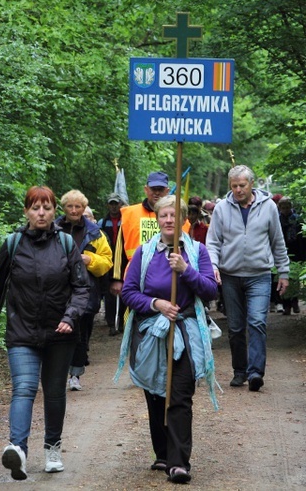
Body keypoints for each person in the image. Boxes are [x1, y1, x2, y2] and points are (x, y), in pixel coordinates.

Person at [0, 186, 90, 480]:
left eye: (47, 208)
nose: (41, 213)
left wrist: (70, 317)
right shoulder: (12, 244)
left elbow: (82, 288)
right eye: (36, 208)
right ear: (26, 211)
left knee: (53, 393)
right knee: (23, 389)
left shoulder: (66, 244)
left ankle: (52, 448)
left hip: (60, 334)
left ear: (55, 212)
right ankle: (18, 450)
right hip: (22, 332)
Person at [114, 195, 218, 484]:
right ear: (157, 220)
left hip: (185, 330)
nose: (169, 220)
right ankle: (162, 452)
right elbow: (129, 292)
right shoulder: (145, 253)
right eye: (164, 216)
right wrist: (156, 304)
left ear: (183, 218)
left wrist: (186, 271)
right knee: (156, 393)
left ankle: (178, 462)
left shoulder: (196, 251)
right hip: (151, 332)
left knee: (181, 395)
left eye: (174, 215)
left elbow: (210, 290)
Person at [206, 165, 290, 392]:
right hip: (230, 275)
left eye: (242, 185)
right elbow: (212, 242)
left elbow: (277, 242)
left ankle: (255, 373)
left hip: (260, 275)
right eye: (234, 186)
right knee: (234, 327)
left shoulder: (269, 207)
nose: (238, 190)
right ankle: (239, 371)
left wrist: (283, 272)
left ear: (251, 184)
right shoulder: (222, 208)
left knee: (257, 322)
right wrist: (212, 265)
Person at [56, 190, 113, 391]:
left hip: (86, 289)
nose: (73, 210)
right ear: (64, 208)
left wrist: (90, 260)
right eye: (70, 206)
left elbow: (107, 261)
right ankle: (56, 373)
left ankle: (75, 374)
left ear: (83, 208)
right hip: (56, 289)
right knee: (57, 332)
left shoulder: (95, 233)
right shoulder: (53, 228)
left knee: (79, 334)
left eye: (77, 206)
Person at [110, 171, 190, 296]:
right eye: (153, 189)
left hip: (170, 275)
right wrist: (117, 278)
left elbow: (188, 249)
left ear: (167, 190)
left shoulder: (180, 217)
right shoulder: (130, 214)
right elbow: (119, 248)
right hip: (134, 274)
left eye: (161, 189)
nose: (157, 192)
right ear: (146, 189)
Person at [277, 196, 306, 315]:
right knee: (283, 278)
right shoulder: (277, 220)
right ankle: (286, 304)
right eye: (283, 208)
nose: (285, 210)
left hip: (298, 252)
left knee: (295, 279)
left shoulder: (298, 219)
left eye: (287, 207)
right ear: (280, 208)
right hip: (283, 253)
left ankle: (295, 301)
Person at [98, 192, 126, 335]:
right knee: (109, 292)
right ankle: (111, 323)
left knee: (124, 290)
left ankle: (122, 321)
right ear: (108, 205)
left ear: (120, 204)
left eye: (116, 203)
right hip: (108, 259)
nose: (114, 207)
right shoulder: (102, 223)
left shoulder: (126, 220)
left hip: (124, 259)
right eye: (111, 204)